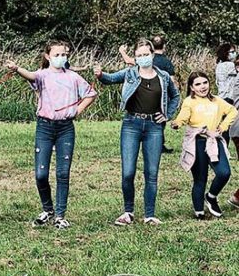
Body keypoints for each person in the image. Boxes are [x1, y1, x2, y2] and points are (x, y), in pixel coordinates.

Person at [6, 40, 97, 229]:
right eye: (57, 55)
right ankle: (48, 210)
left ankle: (60, 215)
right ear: (48, 56)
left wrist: (77, 111)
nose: (61, 58)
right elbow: (30, 75)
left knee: (63, 173)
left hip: (65, 128)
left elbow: (90, 94)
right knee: (41, 174)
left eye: (64, 55)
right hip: (45, 127)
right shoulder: (43, 75)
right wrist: (16, 68)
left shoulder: (73, 77)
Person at [95, 40, 180, 226]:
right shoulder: (130, 73)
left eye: (146, 54)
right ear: (135, 57)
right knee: (128, 172)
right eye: (139, 55)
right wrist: (100, 74)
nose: (143, 58)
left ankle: (149, 214)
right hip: (131, 124)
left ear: (152, 55)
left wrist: (167, 114)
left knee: (151, 172)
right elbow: (109, 79)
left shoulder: (163, 76)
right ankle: (128, 212)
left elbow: (176, 96)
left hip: (154, 128)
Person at [172, 72, 237, 219]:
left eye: (205, 83)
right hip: (197, 141)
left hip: (213, 140)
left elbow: (232, 111)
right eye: (198, 84)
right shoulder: (189, 101)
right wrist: (177, 123)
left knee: (224, 172)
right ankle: (199, 212)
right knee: (200, 178)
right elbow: (183, 116)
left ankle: (211, 197)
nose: (202, 87)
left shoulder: (217, 101)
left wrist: (224, 125)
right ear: (192, 87)